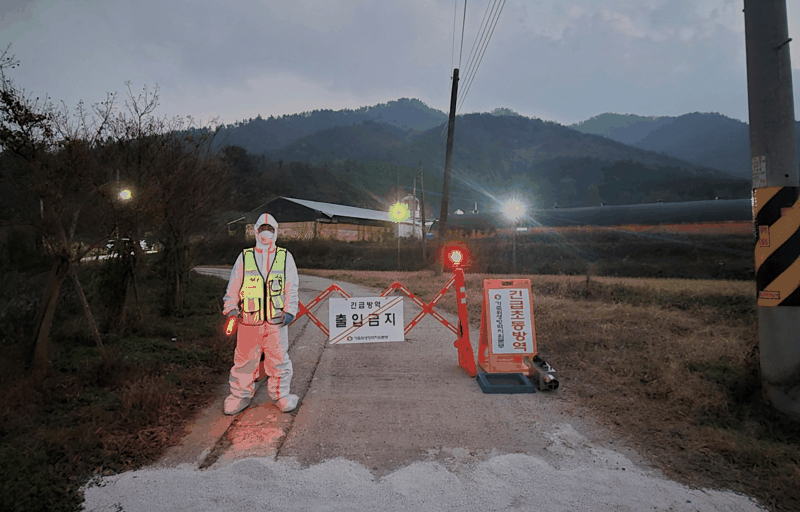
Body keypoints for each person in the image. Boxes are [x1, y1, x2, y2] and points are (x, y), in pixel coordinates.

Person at [222, 213, 300, 415]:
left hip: (276, 322)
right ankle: (239, 396)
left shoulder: (285, 256)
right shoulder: (245, 256)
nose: (266, 231)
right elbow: (234, 284)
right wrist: (231, 308)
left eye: (270, 228)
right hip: (248, 321)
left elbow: (291, 288)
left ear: (276, 231)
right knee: (244, 361)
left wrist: (290, 312)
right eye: (263, 227)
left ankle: (281, 395)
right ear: (256, 230)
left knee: (279, 361)